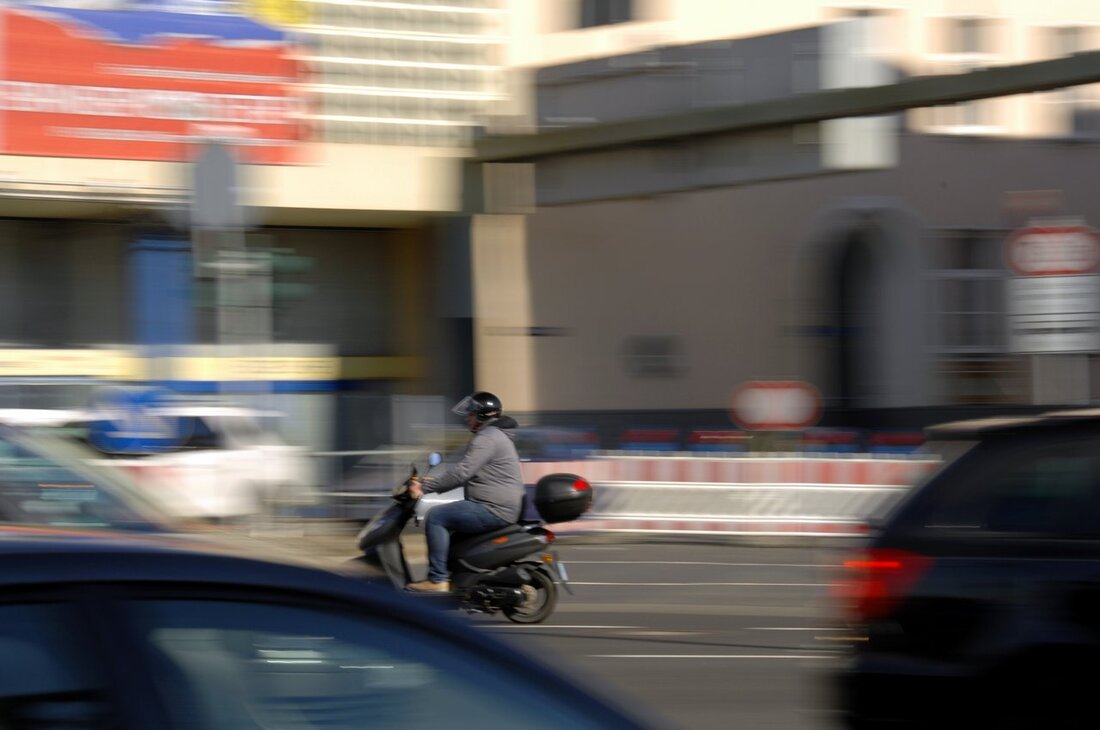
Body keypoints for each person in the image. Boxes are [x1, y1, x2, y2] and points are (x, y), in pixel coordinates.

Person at [405, 391, 524, 592]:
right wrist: (433, 481)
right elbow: (474, 474)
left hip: (493, 508)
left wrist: (424, 488)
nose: (467, 417)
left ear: (482, 415)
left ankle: (437, 579)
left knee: (436, 517)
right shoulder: (495, 436)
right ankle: (458, 579)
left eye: (470, 413)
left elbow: (462, 473)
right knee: (452, 530)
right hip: (500, 505)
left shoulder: (487, 438)